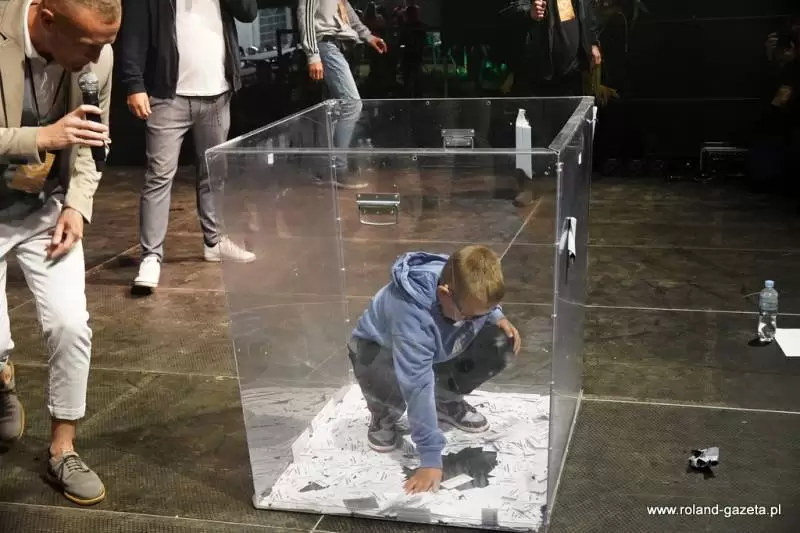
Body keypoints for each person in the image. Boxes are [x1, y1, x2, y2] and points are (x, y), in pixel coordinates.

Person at [0, 0, 119, 505]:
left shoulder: (98, 56)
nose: (99, 56)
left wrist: (77, 204)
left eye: (106, 43)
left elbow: (91, 144)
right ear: (46, 20)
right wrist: (41, 137)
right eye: (89, 44)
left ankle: (62, 449)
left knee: (71, 325)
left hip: (46, 207)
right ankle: (2, 375)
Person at [348, 246, 522, 494]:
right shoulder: (409, 314)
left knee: (501, 339)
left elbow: (481, 306)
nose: (476, 321)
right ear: (444, 293)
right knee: (391, 377)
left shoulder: (461, 281)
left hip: (434, 343)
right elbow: (417, 385)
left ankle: (446, 400)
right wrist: (430, 459)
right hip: (380, 351)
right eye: (471, 315)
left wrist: (496, 316)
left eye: (481, 315)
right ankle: (383, 415)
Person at [117, 0, 258, 294]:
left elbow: (248, 12)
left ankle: (214, 242)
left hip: (218, 94)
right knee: (159, 177)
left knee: (213, 174)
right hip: (168, 97)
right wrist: (133, 84)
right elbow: (133, 34)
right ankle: (151, 256)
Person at [296, 0, 387, 189]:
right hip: (325, 45)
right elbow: (305, 15)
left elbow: (347, 12)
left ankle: (325, 171)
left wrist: (368, 36)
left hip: (339, 46)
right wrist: (312, 55)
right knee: (352, 104)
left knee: (335, 110)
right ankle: (338, 168)